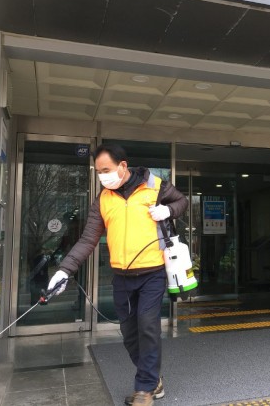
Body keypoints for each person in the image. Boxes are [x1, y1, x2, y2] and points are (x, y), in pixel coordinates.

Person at [47, 143, 188, 406]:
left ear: (123, 166)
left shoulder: (156, 186)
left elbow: (182, 201)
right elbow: (88, 239)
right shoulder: (103, 199)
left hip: (152, 273)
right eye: (99, 172)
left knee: (147, 325)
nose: (102, 176)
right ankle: (153, 379)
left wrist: (168, 210)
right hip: (121, 277)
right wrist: (64, 270)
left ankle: (144, 389)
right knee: (129, 333)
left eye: (106, 170)